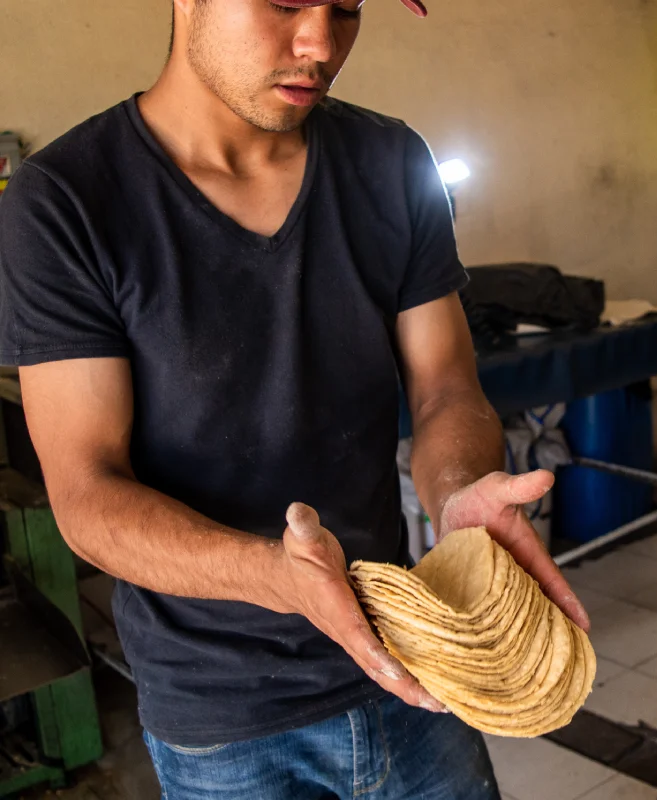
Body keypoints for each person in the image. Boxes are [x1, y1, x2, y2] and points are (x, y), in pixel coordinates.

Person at [0, 1, 590, 797]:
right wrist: (271, 574)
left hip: (405, 659)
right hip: (223, 721)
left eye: (346, 8)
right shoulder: (65, 201)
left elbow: (446, 386)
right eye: (283, 2)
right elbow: (86, 491)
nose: (320, 44)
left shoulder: (390, 162)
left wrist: (457, 497)